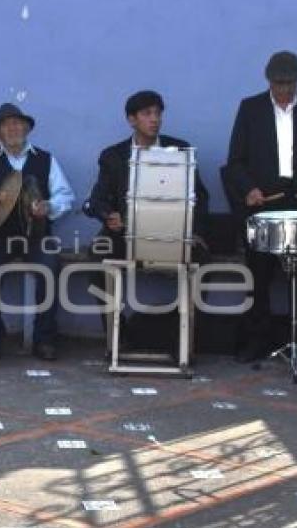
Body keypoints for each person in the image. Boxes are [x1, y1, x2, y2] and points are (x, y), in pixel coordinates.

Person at [224, 51, 297, 363]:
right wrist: (249, 189)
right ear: (268, 81)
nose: (285, 90)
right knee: (258, 276)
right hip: (264, 204)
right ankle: (256, 342)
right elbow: (235, 162)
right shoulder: (251, 109)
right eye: (279, 84)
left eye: (290, 84)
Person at [85, 90, 210, 345]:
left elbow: (201, 197)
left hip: (173, 235)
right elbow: (96, 200)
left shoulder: (181, 150)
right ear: (132, 120)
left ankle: (181, 339)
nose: (155, 119)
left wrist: (192, 231)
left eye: (158, 113)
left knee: (203, 262)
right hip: (125, 235)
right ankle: (117, 336)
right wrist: (109, 215)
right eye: (147, 114)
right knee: (97, 260)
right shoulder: (113, 155)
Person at [0, 103, 75, 361]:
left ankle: (44, 339)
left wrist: (49, 207)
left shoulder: (46, 159)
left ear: (26, 127)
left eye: (17, 123)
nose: (12, 129)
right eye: (6, 125)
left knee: (49, 269)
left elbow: (65, 196)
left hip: (37, 237)